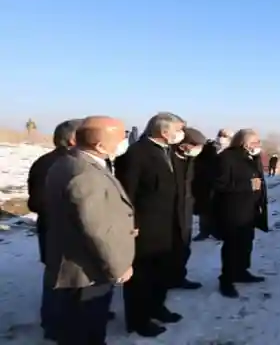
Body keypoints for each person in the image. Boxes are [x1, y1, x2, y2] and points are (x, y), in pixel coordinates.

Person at [43, 116, 135, 345]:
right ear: (100, 145)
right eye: (120, 137)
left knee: (76, 327)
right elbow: (95, 230)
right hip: (88, 270)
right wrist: (118, 267)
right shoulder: (86, 174)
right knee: (87, 330)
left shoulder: (68, 161)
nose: (124, 141)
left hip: (75, 261)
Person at [114, 112, 186, 337]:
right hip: (145, 228)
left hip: (169, 224)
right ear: (164, 132)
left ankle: (158, 307)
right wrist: (130, 225)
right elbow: (126, 194)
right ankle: (139, 320)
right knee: (142, 277)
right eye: (177, 130)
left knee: (162, 272)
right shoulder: (136, 154)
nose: (180, 135)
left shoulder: (168, 151)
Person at [27, 118, 82, 340]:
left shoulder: (79, 160)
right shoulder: (50, 164)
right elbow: (38, 202)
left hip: (75, 232)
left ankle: (79, 316)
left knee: (77, 277)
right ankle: (53, 325)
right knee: (57, 280)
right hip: (57, 233)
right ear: (72, 139)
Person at [213, 128, 267, 298]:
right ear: (243, 143)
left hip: (249, 209)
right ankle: (226, 279)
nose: (258, 145)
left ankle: (241, 271)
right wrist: (247, 187)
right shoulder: (227, 158)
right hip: (232, 210)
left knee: (246, 243)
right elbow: (219, 185)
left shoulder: (252, 157)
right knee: (232, 246)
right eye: (255, 142)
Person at [167, 127, 207, 290]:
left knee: (183, 246)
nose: (198, 149)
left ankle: (178, 276)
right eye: (195, 145)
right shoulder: (167, 158)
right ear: (183, 144)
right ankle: (164, 280)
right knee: (168, 248)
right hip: (168, 210)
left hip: (185, 209)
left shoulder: (189, 160)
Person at [192, 128, 232, 241]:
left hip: (222, 185)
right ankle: (204, 231)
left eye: (225, 136)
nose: (222, 138)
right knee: (205, 210)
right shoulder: (208, 149)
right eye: (221, 135)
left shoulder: (231, 151)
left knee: (220, 210)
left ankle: (218, 231)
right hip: (206, 183)